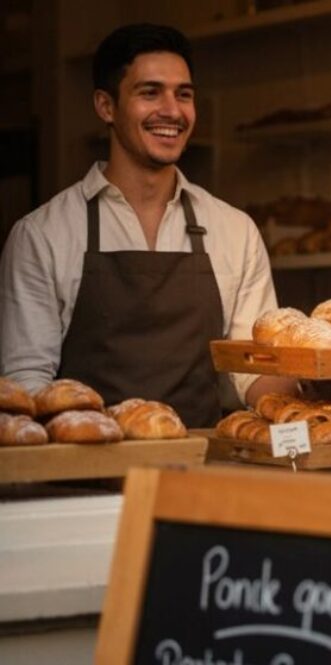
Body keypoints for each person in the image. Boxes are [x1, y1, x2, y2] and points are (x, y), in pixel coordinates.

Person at [0, 24, 296, 427]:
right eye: (150, 92)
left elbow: (250, 369)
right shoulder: (42, 235)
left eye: (184, 94)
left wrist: (318, 390)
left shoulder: (235, 230)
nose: (172, 111)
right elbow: (26, 384)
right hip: (85, 481)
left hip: (200, 472)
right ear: (106, 107)